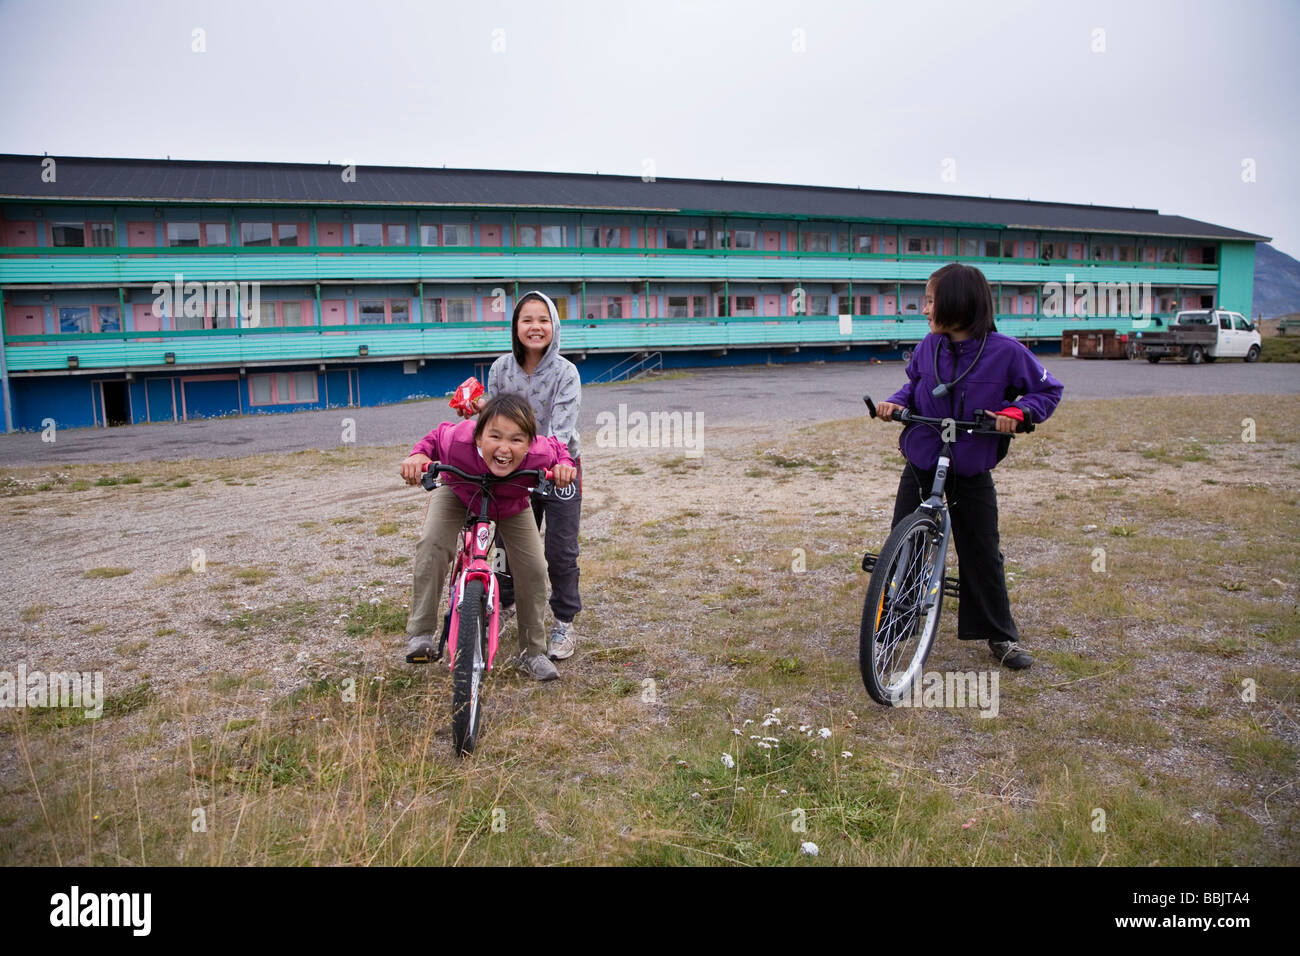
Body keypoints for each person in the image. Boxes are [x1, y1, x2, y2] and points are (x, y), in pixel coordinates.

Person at [874, 263, 1063, 670]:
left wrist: (1017, 411)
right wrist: (895, 403)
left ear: (957, 302)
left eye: (929, 300)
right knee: (905, 543)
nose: (923, 309)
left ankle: (999, 634)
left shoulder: (1006, 352)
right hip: (924, 459)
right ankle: (896, 622)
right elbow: (914, 385)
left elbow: (1047, 391)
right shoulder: (928, 347)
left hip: (971, 468)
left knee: (981, 553)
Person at [400, 393, 577, 681]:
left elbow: (560, 449)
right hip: (460, 490)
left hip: (509, 504)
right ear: (478, 437)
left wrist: (564, 466)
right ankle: (420, 633)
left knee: (533, 568)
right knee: (432, 543)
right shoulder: (458, 440)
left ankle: (533, 652)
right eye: (495, 436)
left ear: (530, 444)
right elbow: (435, 438)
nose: (504, 448)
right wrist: (418, 455)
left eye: (517, 440)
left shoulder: (540, 453)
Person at [458, 290, 584, 662]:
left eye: (543, 320)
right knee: (509, 545)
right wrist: (477, 408)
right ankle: (504, 600)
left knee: (560, 551)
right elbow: (492, 420)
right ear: (515, 326)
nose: (535, 327)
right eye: (527, 319)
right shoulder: (500, 369)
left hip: (559, 470)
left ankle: (563, 620)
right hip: (510, 468)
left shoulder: (566, 373)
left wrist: (555, 463)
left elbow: (560, 433)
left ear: (554, 327)